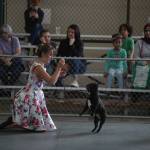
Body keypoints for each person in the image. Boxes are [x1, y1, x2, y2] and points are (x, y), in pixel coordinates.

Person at [0, 44, 65, 131]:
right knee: (35, 125)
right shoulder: (38, 67)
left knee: (28, 119)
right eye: (50, 54)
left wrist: (58, 72)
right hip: (30, 95)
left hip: (35, 94)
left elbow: (49, 80)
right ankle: (12, 122)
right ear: (43, 54)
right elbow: (51, 81)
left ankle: (11, 121)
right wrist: (59, 67)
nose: (51, 57)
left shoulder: (40, 66)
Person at [133, 23, 150, 89]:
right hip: (142, 64)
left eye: (149, 30)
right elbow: (136, 56)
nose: (148, 32)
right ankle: (140, 91)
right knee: (143, 69)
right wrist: (144, 62)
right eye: (146, 31)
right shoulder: (139, 42)